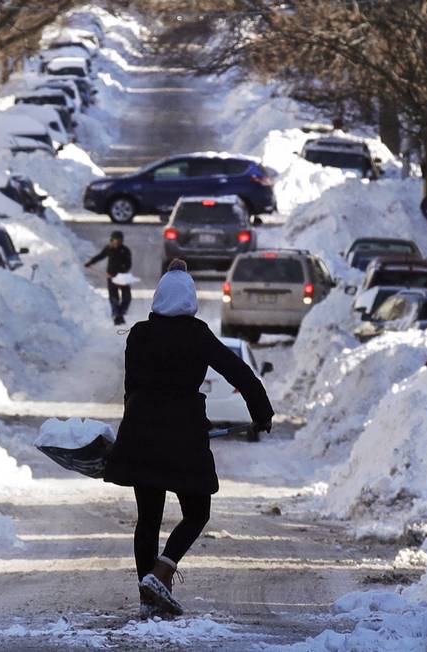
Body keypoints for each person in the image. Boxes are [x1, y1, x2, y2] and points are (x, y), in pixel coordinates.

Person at [103, 259, 274, 619]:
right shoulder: (196, 334)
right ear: (190, 300)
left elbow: (130, 386)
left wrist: (132, 425)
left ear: (158, 298)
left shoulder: (139, 333)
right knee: (197, 510)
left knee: (148, 517)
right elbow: (238, 371)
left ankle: (147, 595)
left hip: (142, 431)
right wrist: (261, 412)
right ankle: (161, 572)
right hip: (183, 435)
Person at [84, 230, 133, 325]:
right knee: (114, 297)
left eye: (119, 241)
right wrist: (90, 262)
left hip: (123, 277)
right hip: (111, 276)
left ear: (122, 241)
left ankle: (121, 312)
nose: (117, 243)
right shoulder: (109, 249)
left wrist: (121, 271)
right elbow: (100, 256)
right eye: (115, 240)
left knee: (127, 297)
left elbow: (128, 264)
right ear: (111, 240)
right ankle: (116, 315)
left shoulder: (125, 250)